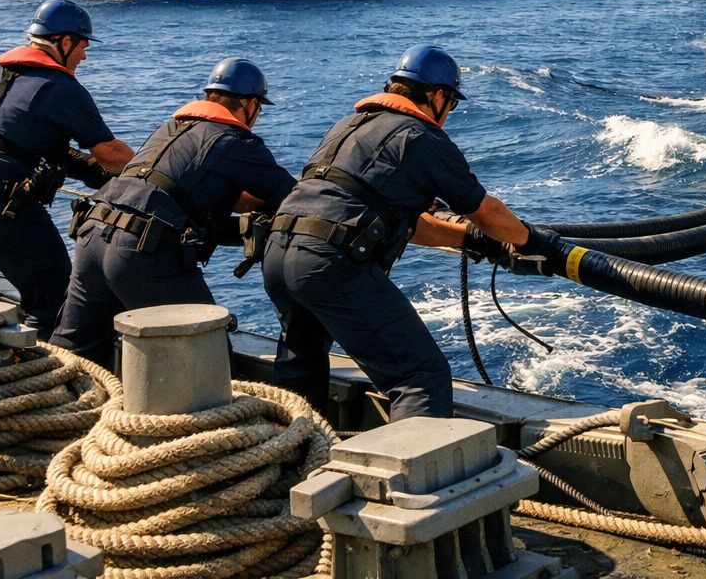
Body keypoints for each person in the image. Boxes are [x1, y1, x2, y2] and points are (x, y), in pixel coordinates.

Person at [261, 44, 561, 421]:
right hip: (330, 263)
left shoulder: (349, 126)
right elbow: (486, 212)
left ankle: (290, 462)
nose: (448, 113)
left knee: (301, 367)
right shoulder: (420, 137)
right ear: (438, 96)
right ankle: (408, 478)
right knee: (421, 377)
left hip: (278, 252)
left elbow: (399, 221)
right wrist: (533, 242)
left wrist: (466, 238)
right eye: (450, 103)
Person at [51, 58, 295, 365]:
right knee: (208, 354)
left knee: (75, 353)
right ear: (249, 104)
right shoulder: (238, 143)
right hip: (140, 251)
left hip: (92, 235)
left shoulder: (170, 129)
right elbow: (292, 197)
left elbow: (180, 189)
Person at [0, 0, 134, 338]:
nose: (84, 56)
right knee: (56, 300)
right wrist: (148, 176)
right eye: (83, 46)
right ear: (64, 41)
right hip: (1, 206)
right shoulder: (60, 87)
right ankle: (49, 377)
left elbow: (15, 142)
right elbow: (112, 154)